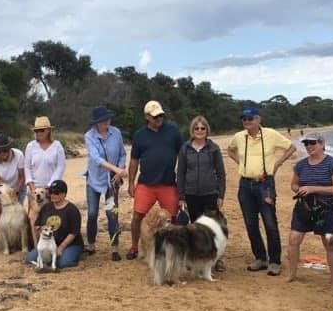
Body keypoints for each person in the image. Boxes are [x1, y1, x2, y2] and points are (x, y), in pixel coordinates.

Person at [227, 106, 296, 275]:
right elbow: (229, 150)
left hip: (265, 185)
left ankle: (274, 261)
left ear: (258, 119)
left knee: (270, 224)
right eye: (244, 119)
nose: (246, 122)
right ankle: (260, 258)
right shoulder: (238, 137)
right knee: (251, 224)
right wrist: (241, 164)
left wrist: (278, 163)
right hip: (245, 184)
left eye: (250, 118)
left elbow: (291, 147)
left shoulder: (270, 134)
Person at [285, 132, 333, 286]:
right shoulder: (301, 165)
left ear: (322, 144)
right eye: (306, 144)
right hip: (304, 207)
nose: (309, 146)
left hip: (326, 208)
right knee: (293, 239)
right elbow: (293, 184)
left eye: (313, 143)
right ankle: (291, 274)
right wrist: (299, 189)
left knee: (329, 243)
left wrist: (312, 188)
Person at [126, 100, 183, 260]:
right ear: (147, 117)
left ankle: (174, 248)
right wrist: (131, 183)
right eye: (155, 116)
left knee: (172, 218)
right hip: (146, 184)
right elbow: (134, 160)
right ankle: (134, 247)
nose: (159, 118)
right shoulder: (139, 135)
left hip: (168, 183)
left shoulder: (173, 132)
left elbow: (183, 155)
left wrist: (183, 180)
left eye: (160, 115)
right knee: (137, 216)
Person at [177, 115, 227, 270]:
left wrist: (221, 194)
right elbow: (180, 173)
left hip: (210, 193)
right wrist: (181, 196)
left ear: (207, 130)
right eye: (196, 128)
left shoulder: (213, 148)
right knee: (195, 229)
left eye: (202, 128)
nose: (199, 131)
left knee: (213, 228)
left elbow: (221, 173)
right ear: (192, 130)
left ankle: (215, 259)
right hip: (191, 194)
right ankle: (197, 260)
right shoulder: (185, 148)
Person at [84, 106, 127, 261]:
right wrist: (117, 169)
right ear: (96, 123)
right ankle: (91, 244)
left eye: (107, 119)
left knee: (111, 214)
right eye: (102, 121)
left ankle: (115, 247)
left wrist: (118, 171)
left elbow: (122, 154)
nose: (106, 123)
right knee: (93, 213)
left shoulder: (116, 133)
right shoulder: (89, 136)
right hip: (94, 180)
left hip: (111, 182)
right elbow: (96, 159)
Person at [25, 179, 84, 269]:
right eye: (51, 192)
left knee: (63, 263)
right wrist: (42, 234)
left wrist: (60, 247)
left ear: (64, 194)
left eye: (56, 193)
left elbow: (73, 233)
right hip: (49, 243)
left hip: (70, 244)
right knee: (30, 258)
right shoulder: (46, 207)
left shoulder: (72, 210)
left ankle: (74, 254)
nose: (52, 195)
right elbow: (37, 225)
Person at [0, 134, 26, 246]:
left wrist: (16, 190)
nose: (2, 154)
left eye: (5, 151)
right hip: (2, 188)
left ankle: (26, 242)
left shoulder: (19, 154)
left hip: (19, 186)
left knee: (23, 211)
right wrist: (6, 195)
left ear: (9, 149)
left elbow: (22, 176)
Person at [24, 116, 66, 196]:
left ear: (48, 130)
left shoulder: (57, 146)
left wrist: (50, 187)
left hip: (52, 190)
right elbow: (27, 168)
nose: (39, 133)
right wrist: (32, 188)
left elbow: (60, 167)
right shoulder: (30, 146)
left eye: (42, 130)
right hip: (34, 190)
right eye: (36, 131)